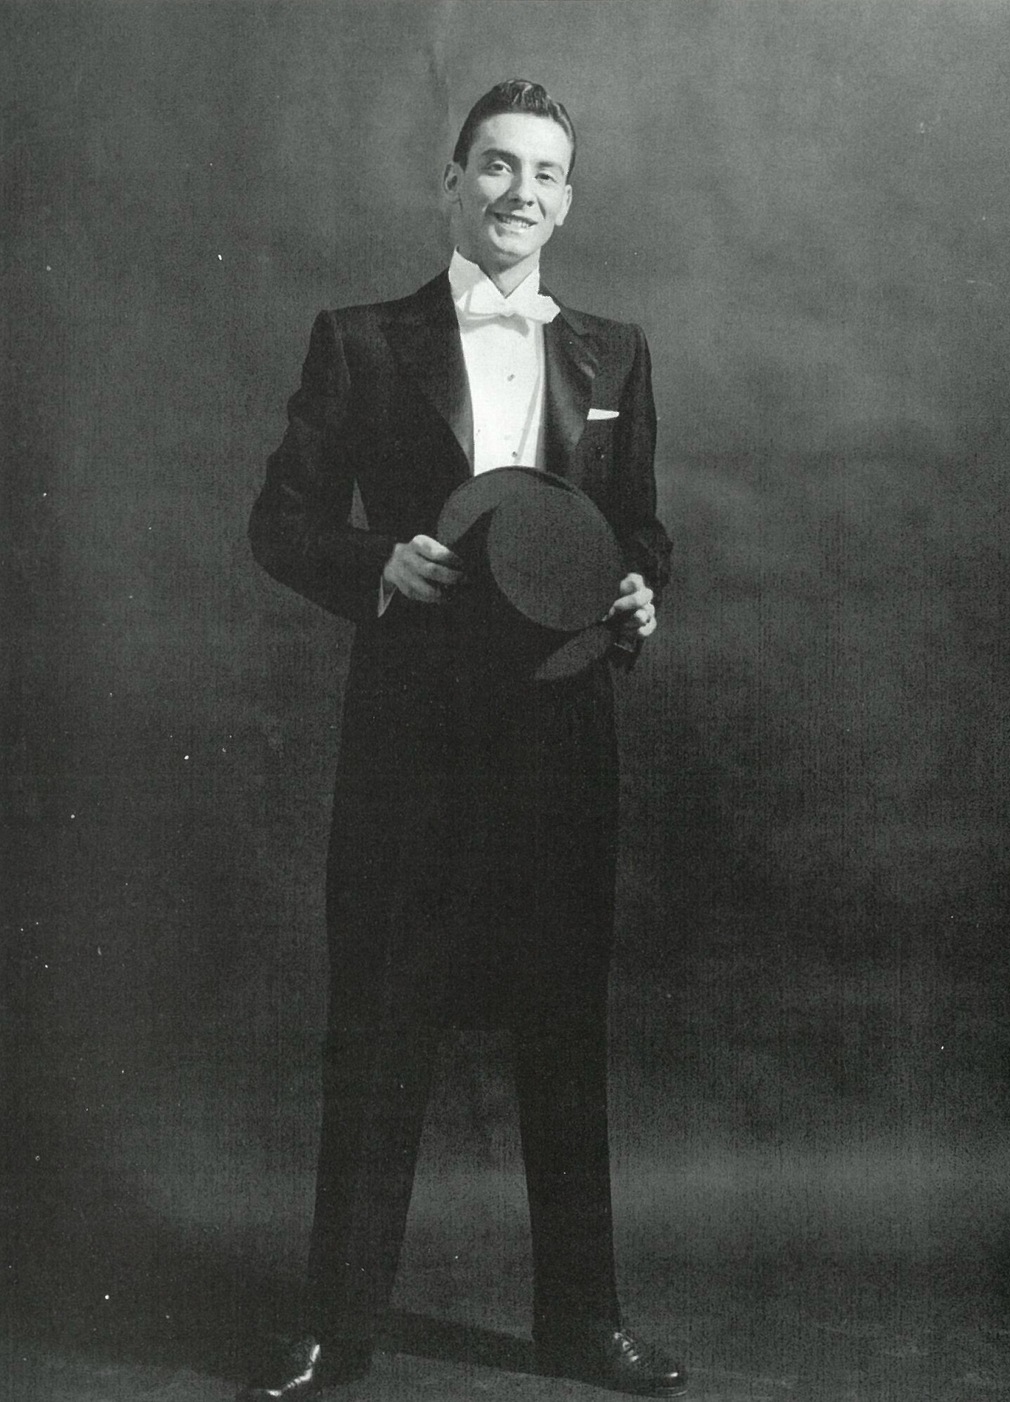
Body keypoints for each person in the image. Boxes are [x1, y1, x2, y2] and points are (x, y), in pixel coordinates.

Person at [240, 79, 682, 1400]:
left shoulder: (616, 354)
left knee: (566, 1029)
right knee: (382, 1026)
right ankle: (338, 1326)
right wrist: (380, 562)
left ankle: (583, 1322)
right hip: (414, 741)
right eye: (495, 165)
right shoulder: (361, 342)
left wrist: (641, 592)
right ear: (451, 182)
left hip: (562, 736)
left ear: (568, 198)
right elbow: (281, 523)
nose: (519, 192)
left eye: (544, 172)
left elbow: (639, 530)